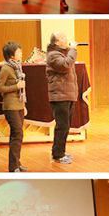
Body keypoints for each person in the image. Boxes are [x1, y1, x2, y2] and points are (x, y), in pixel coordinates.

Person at [46, 32, 78, 164]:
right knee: (62, 126)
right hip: (60, 96)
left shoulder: (62, 53)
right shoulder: (53, 55)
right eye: (63, 38)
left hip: (67, 95)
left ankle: (61, 152)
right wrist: (73, 49)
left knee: (66, 126)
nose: (66, 39)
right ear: (56, 42)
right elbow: (65, 66)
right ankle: (58, 155)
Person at [0, 41, 27, 172]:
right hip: (10, 106)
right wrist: (16, 86)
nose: (21, 53)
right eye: (18, 51)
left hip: (19, 104)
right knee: (17, 133)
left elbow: (22, 90)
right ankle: (13, 166)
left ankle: (17, 163)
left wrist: (23, 105)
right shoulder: (6, 68)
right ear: (11, 55)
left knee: (18, 135)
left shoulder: (18, 67)